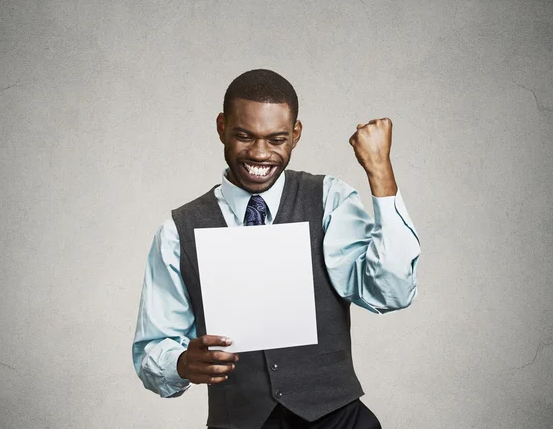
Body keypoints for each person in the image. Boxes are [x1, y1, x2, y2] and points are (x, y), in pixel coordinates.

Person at [132, 69, 421, 429]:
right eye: (244, 136)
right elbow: (151, 350)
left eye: (276, 139)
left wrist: (380, 172)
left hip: (338, 420)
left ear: (295, 135)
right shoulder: (178, 230)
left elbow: (390, 294)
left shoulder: (329, 200)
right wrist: (180, 364)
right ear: (221, 127)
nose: (260, 153)